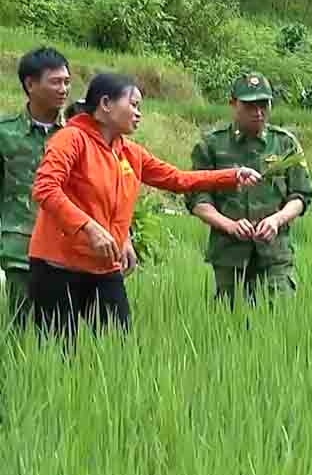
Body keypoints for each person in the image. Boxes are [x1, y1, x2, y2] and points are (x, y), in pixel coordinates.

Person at [27, 73, 262, 338]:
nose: (139, 114)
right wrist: (89, 228)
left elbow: (178, 179)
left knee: (117, 348)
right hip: (57, 267)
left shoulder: (128, 152)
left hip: (104, 266)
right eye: (134, 105)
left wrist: (232, 175)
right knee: (58, 353)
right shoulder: (71, 139)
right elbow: (45, 188)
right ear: (106, 104)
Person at [0, 48, 138, 328]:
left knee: (82, 338)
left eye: (67, 82)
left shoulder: (86, 131)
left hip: (77, 252)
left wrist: (123, 236)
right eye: (55, 82)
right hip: (20, 249)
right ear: (30, 84)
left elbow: (111, 188)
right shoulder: (5, 134)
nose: (63, 89)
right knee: (24, 333)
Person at [186, 72, 312, 307]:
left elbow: (301, 195)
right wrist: (229, 225)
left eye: (264, 105)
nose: (258, 112)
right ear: (233, 104)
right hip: (229, 254)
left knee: (278, 322)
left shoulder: (285, 143)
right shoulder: (212, 146)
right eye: (250, 106)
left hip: (275, 255)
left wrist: (276, 220)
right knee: (230, 325)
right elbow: (197, 200)